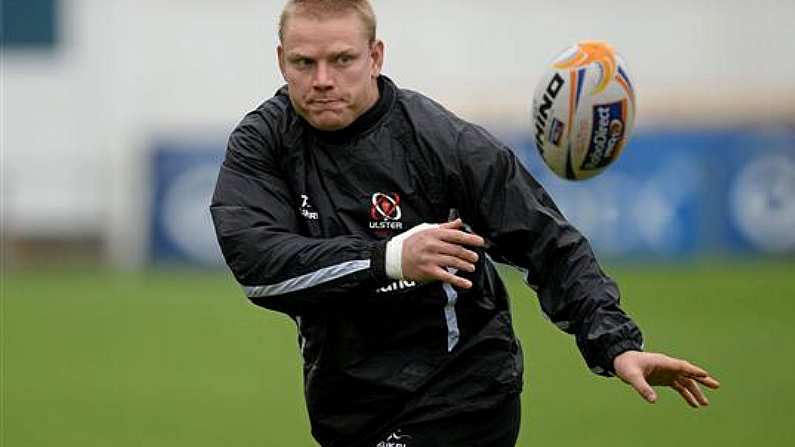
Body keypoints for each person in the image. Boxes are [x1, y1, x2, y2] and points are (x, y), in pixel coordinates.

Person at [210, 1, 720, 446]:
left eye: (342, 59)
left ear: (376, 56)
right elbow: (258, 263)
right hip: (347, 408)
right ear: (281, 61)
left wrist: (616, 343)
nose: (323, 79)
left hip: (462, 394)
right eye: (304, 62)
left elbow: (547, 241)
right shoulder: (264, 143)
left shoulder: (440, 143)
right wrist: (391, 258)